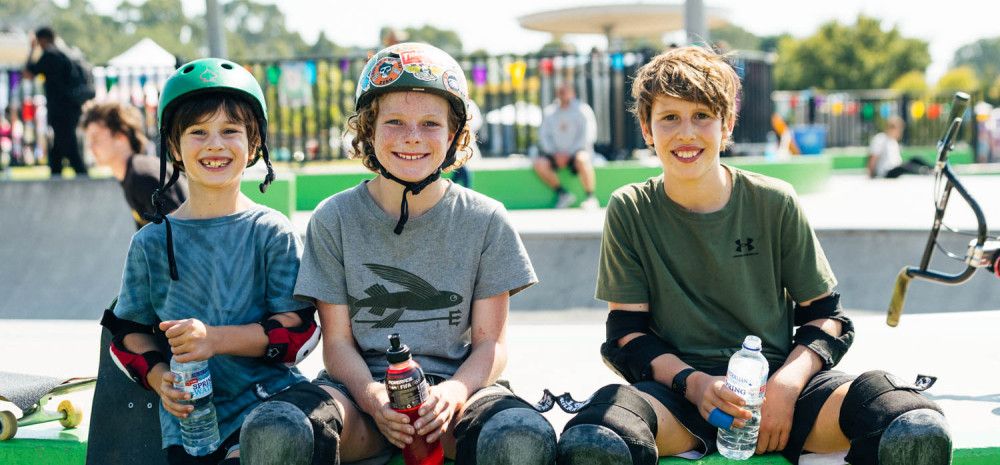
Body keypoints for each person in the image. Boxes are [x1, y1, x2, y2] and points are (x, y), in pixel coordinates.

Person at [556, 46, 952, 465]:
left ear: (726, 126)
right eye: (670, 117)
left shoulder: (774, 201)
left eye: (702, 116)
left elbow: (828, 317)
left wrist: (786, 386)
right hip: (678, 399)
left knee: (907, 423)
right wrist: (696, 385)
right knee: (596, 438)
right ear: (647, 128)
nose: (686, 133)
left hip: (785, 399)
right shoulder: (630, 207)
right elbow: (626, 334)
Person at [294, 42, 556, 465]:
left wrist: (453, 393)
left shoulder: (486, 220)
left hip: (457, 396)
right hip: (360, 395)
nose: (412, 137)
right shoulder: (333, 219)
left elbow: (491, 345)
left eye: (430, 124)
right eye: (394, 122)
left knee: (522, 439)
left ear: (453, 136)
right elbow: (337, 343)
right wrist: (374, 397)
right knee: (282, 429)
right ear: (368, 131)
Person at [100, 58, 336, 465]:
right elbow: (127, 334)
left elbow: (297, 334)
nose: (215, 144)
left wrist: (214, 339)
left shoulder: (270, 231)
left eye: (231, 131)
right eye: (198, 132)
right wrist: (161, 379)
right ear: (173, 147)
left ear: (255, 144)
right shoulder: (151, 243)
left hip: (273, 405)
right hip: (194, 425)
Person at [81, 100, 188, 229]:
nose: (90, 147)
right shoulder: (132, 174)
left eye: (95, 138)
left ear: (121, 137)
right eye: (88, 140)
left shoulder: (142, 176)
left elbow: (179, 230)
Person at [23, 26, 88, 178]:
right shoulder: (65, 54)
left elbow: (27, 73)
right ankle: (56, 171)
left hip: (60, 107)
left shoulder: (50, 56)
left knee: (68, 142)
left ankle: (80, 173)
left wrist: (32, 50)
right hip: (71, 106)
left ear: (42, 40)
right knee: (60, 142)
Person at [533, 83, 599, 209]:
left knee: (583, 159)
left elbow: (588, 135)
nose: (563, 93)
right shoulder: (550, 112)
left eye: (566, 90)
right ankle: (562, 194)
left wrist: (570, 153)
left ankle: (590, 197)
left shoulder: (583, 110)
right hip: (555, 155)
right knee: (539, 164)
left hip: (576, 153)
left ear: (573, 93)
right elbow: (544, 136)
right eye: (561, 91)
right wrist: (554, 153)